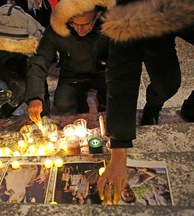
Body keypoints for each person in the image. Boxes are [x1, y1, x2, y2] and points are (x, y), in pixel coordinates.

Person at [97, 0, 194, 205]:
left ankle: (153, 106)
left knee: (168, 84)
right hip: (135, 23)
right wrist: (119, 149)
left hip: (161, 37)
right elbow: (122, 72)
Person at [25, 0, 112, 125]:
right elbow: (41, 59)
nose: (80, 30)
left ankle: (103, 107)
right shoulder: (58, 27)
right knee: (63, 102)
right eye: (74, 23)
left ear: (97, 15)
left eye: (86, 24)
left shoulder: (109, 26)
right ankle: (81, 114)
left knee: (113, 100)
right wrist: (35, 96)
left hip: (103, 72)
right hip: (73, 74)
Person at [0, 3, 46, 119]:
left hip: (26, 59)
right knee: (9, 88)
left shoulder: (35, 31)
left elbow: (38, 66)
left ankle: (8, 110)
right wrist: (7, 75)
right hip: (0, 59)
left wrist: (36, 97)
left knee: (32, 94)